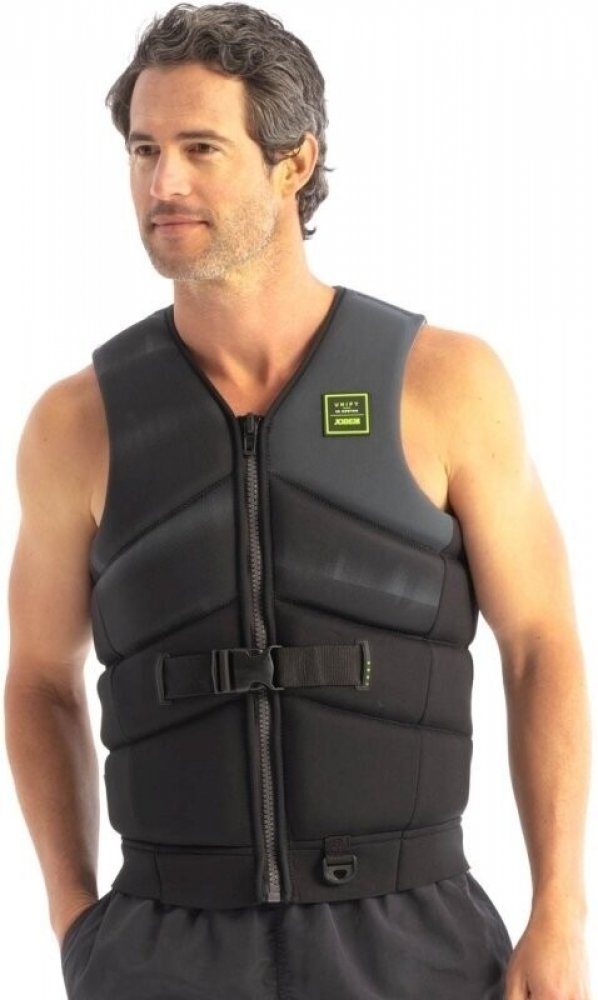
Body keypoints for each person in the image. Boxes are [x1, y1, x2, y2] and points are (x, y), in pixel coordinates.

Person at [4, 3, 591, 999]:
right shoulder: (78, 422)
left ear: (294, 161)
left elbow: (540, 644)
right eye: (143, 150)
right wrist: (74, 918)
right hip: (162, 946)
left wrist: (562, 912)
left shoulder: (445, 384)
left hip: (414, 941)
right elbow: (37, 678)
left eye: (200, 147)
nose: (163, 182)